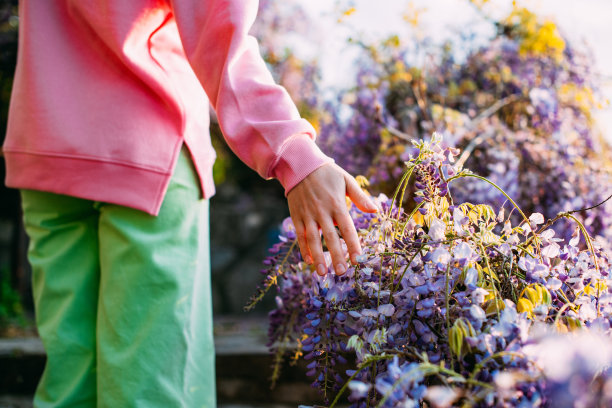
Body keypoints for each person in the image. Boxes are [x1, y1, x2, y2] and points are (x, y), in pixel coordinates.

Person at [3, 1, 378, 407]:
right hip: (148, 152)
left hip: (45, 142)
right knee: (150, 389)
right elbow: (218, 31)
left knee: (68, 383)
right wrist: (295, 154)